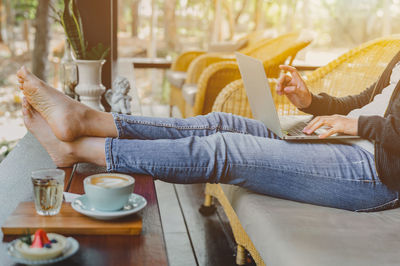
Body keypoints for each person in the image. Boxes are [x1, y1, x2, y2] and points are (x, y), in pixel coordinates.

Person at [16, 50, 400, 212]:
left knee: (224, 149)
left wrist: (359, 125)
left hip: (376, 174)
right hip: (352, 142)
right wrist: (312, 103)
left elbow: (379, 125)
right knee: (219, 121)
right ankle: (87, 119)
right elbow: (368, 99)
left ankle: (80, 150)